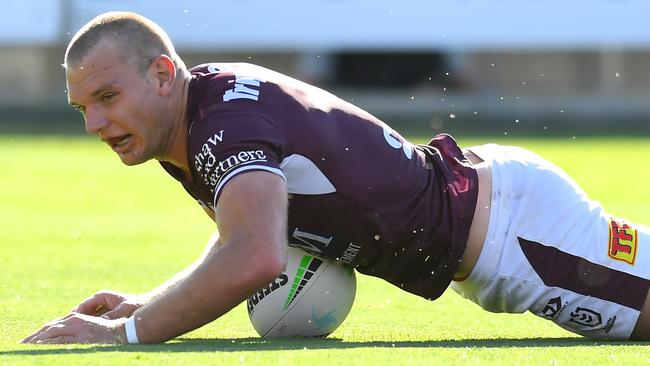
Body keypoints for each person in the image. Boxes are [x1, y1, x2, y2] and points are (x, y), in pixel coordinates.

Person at [22, 11, 650, 344]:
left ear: (163, 74)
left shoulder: (222, 129)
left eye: (107, 96)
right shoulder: (197, 116)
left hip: (518, 237)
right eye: (84, 109)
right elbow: (243, 234)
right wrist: (147, 301)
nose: (95, 123)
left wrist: (128, 333)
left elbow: (258, 255)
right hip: (494, 219)